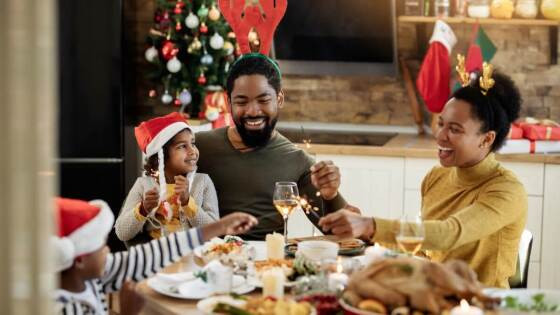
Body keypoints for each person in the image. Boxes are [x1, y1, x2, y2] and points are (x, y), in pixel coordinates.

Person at [319, 64, 527, 288]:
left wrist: (370, 225)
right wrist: (369, 235)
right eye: (441, 124)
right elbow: (425, 245)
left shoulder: (506, 190)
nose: (440, 136)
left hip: (483, 303)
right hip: (434, 294)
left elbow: (449, 233)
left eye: (455, 129)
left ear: (486, 139)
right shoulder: (437, 177)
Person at [195, 54, 350, 240]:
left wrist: (331, 195)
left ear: (280, 99)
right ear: (229, 104)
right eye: (242, 102)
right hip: (206, 261)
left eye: (263, 100)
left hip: (268, 263)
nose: (253, 111)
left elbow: (342, 233)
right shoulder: (197, 147)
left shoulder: (297, 160)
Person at [53, 197, 257, 314]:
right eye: (101, 245)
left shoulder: (90, 277)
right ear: (78, 259)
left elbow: (147, 255)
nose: (108, 250)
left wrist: (218, 227)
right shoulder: (61, 308)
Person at [115, 112, 219, 247]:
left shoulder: (203, 182)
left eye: (192, 143)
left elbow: (215, 230)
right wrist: (143, 209)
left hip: (195, 254)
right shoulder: (143, 185)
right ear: (161, 155)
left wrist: (188, 202)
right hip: (157, 258)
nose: (193, 151)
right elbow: (122, 233)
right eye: (182, 146)